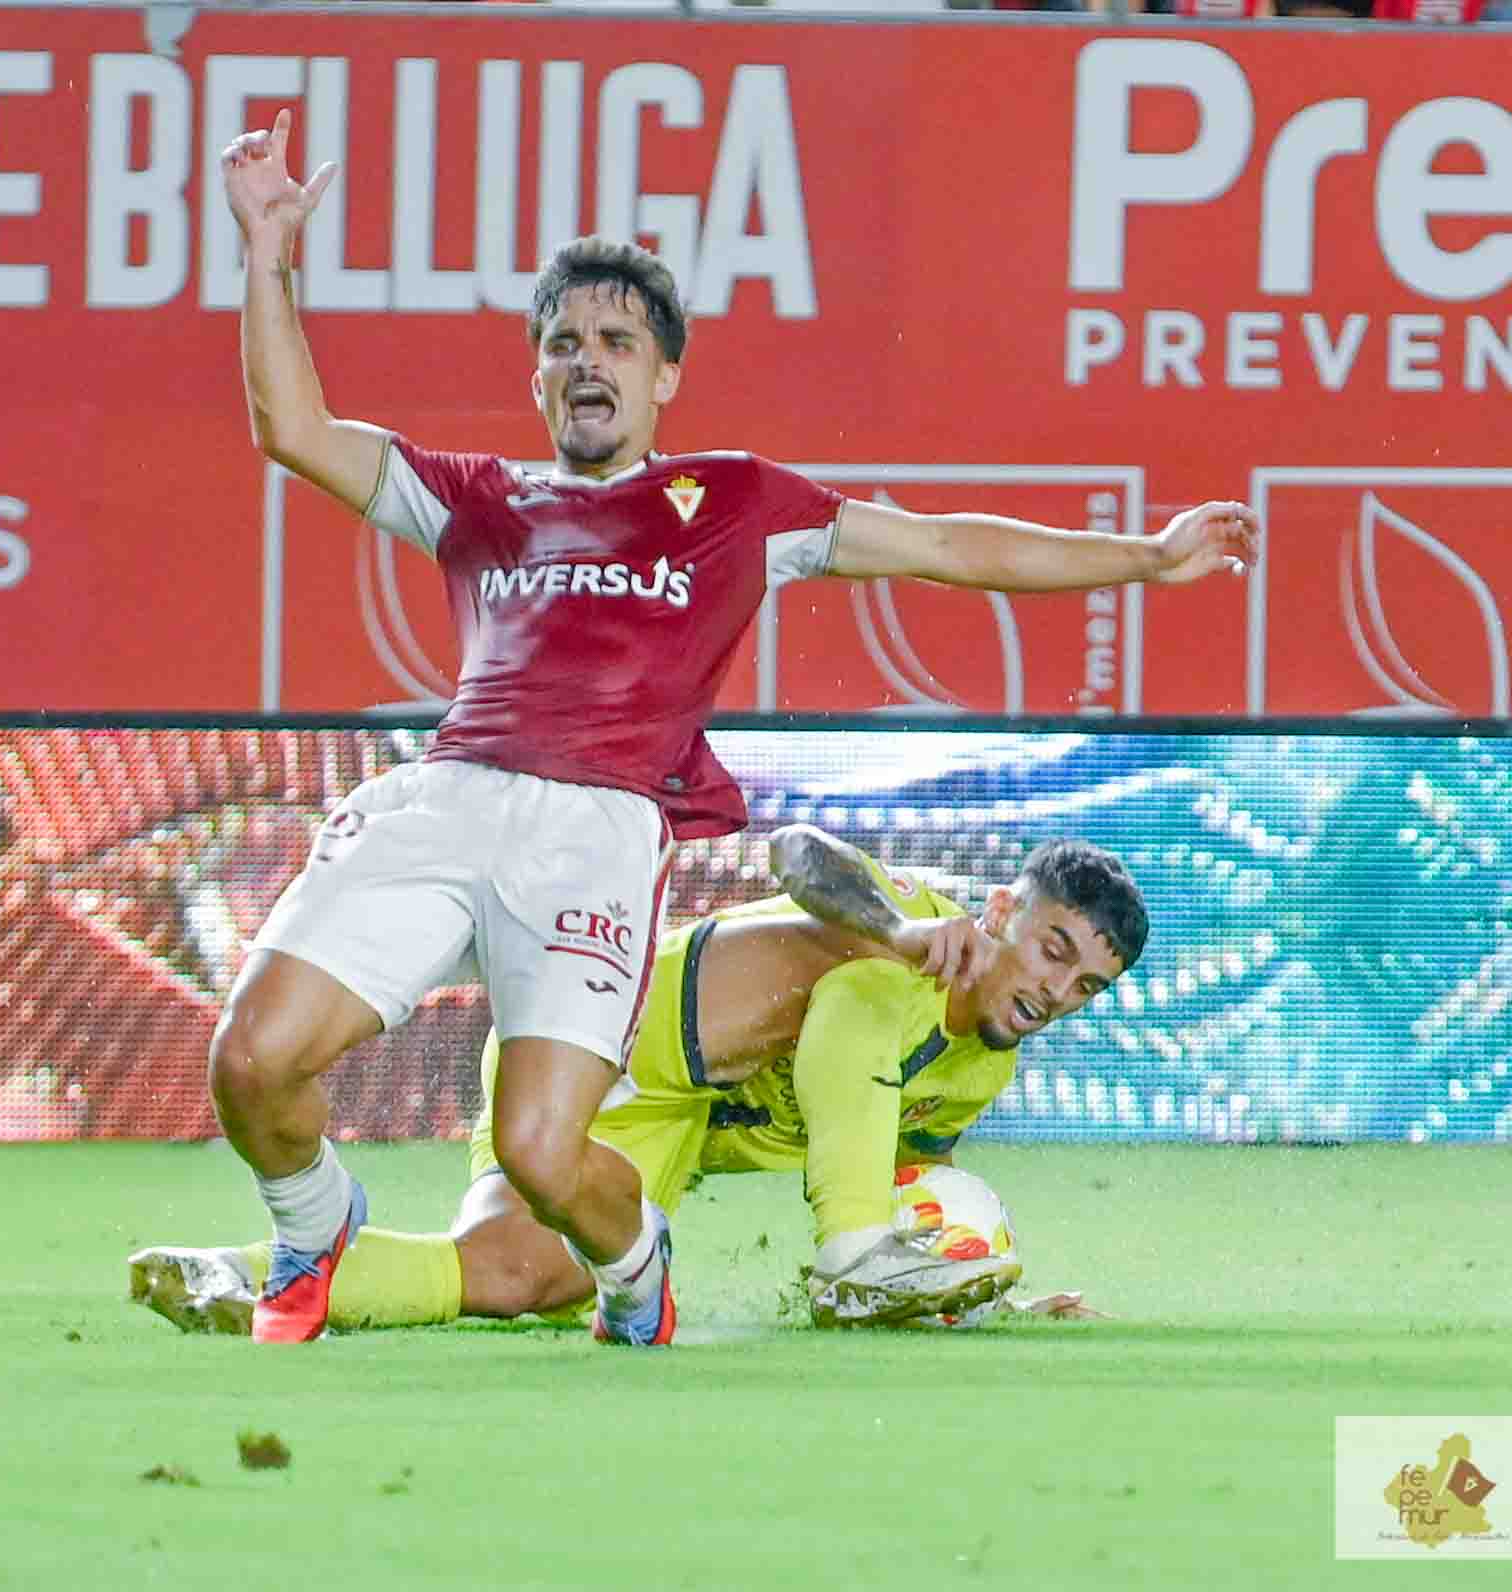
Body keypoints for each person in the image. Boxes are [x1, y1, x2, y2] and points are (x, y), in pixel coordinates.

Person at [214, 109, 1253, 1345]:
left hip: (596, 834)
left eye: (618, 342)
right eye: (563, 343)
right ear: (537, 376)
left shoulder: (734, 503)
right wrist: (268, 252)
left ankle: (636, 1263)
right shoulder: (477, 498)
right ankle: (310, 1227)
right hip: (449, 795)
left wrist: (1144, 557)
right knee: (251, 1062)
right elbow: (294, 431)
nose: (588, 362)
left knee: (546, 1157)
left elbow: (942, 544)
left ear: (664, 378)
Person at [134, 824, 1143, 1333]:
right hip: (593, 1039)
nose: (1056, 989)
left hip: (665, 1127)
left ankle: (239, 1277)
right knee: (880, 979)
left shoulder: (980, 1069)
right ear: (1001, 910)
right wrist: (896, 928)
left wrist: (981, 1292)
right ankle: (851, 1255)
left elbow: (910, 1171)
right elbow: (796, 851)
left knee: (525, 1277)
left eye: (1086, 986)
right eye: (1052, 949)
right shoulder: (916, 918)